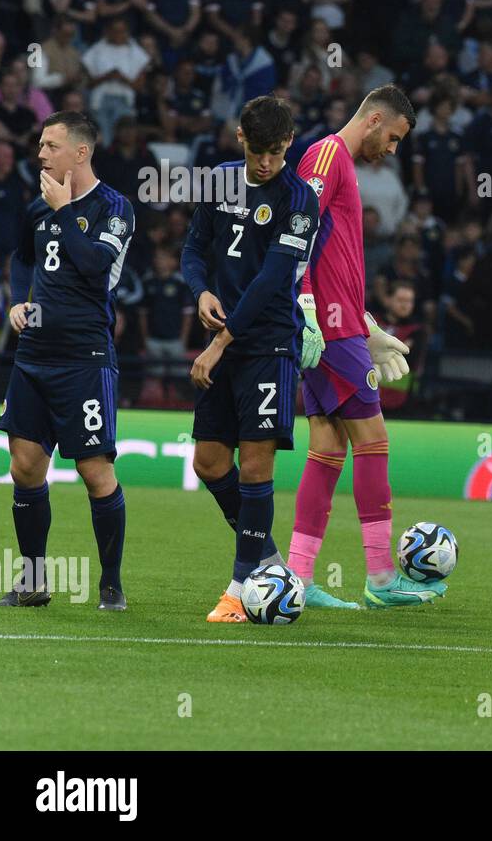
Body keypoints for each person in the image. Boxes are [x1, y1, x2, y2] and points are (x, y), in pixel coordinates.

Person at [286, 85, 442, 610]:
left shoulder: (342, 164)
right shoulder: (328, 154)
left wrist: (365, 321)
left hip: (341, 325)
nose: (393, 150)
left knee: (328, 447)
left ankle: (298, 575)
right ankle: (380, 576)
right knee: (373, 440)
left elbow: (338, 257)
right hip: (328, 330)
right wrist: (309, 306)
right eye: (393, 137)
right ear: (374, 119)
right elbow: (298, 229)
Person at [181, 95, 318, 623]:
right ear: (241, 138)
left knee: (257, 463)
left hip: (268, 343)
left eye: (278, 152)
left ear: (289, 144)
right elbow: (194, 249)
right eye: (259, 151)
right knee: (210, 462)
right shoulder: (220, 180)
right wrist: (199, 292)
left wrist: (220, 342)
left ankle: (240, 589)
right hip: (226, 335)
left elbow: (271, 279)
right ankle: (268, 561)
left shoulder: (298, 197)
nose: (267, 163)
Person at [0, 111, 134, 610]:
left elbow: (96, 267)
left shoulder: (115, 208)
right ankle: (33, 582)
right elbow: (22, 257)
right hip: (33, 356)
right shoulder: (38, 207)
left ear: (81, 152)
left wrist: (69, 211)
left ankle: (111, 583)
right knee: (25, 467)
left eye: (51, 145)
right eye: (39, 144)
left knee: (96, 471)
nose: (40, 154)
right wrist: (17, 298)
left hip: (85, 357)